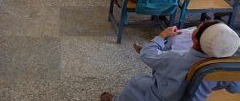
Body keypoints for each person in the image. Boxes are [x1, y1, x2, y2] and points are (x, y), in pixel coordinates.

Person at [101, 20, 240, 101]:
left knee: (138, 81)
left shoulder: (175, 58)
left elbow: (147, 55)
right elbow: (235, 88)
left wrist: (163, 35)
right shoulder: (226, 68)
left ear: (195, 41)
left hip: (161, 97)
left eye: (197, 29)